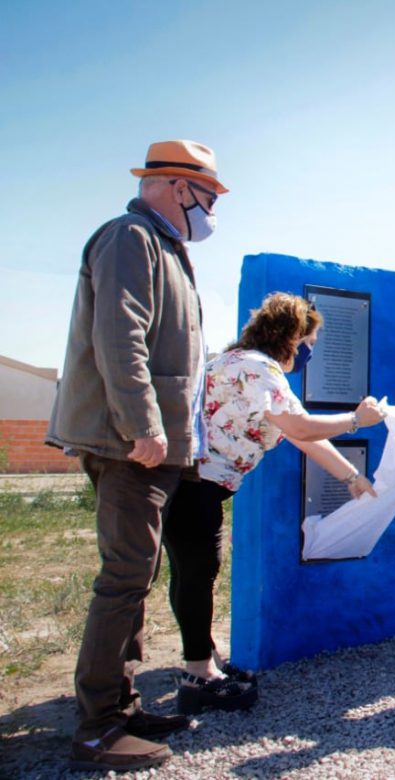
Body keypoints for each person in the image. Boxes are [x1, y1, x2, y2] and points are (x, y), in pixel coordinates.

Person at [45, 140, 225, 772]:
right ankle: (97, 728)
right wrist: (143, 425)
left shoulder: (163, 247)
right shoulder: (130, 237)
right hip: (132, 447)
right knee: (124, 577)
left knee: (137, 575)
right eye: (207, 197)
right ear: (178, 188)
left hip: (155, 448)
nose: (210, 211)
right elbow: (120, 335)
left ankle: (121, 705)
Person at [163, 292, 385, 714]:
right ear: (291, 336)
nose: (310, 353)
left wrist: (351, 477)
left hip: (188, 480)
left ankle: (205, 658)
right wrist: (358, 419)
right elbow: (301, 424)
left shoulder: (233, 362)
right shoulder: (259, 369)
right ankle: (199, 674)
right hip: (197, 483)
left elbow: (300, 436)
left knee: (190, 571)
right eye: (310, 343)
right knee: (197, 572)